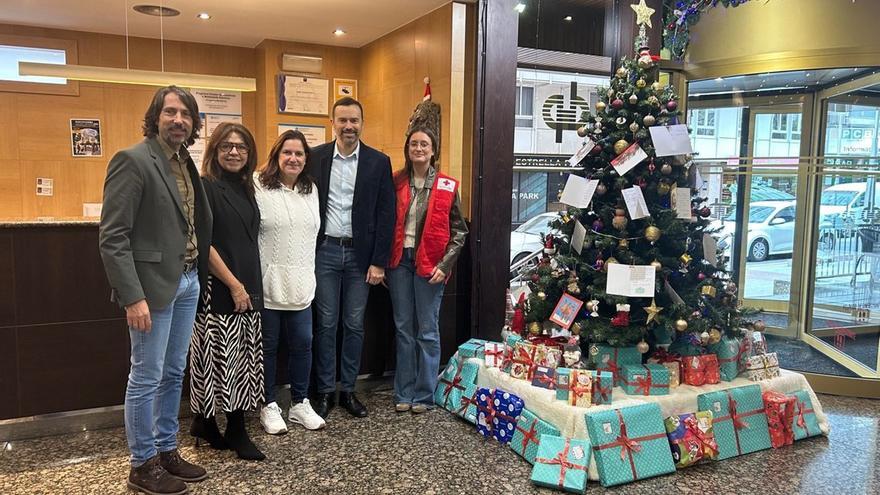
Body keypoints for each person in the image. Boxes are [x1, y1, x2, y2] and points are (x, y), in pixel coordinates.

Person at [99, 85, 212, 495]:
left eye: (186, 114)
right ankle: (141, 463)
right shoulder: (133, 160)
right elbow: (113, 237)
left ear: (194, 123)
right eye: (170, 112)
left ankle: (166, 451)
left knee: (172, 371)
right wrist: (132, 296)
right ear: (156, 117)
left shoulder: (185, 163)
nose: (179, 120)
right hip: (150, 289)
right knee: (145, 376)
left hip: (187, 281)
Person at [308, 97, 396, 419]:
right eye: (342, 120)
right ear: (333, 123)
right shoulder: (315, 158)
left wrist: (379, 261)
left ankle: (348, 390)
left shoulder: (378, 162)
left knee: (354, 325)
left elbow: (387, 215)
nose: (348, 126)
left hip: (361, 257)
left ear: (362, 122)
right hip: (325, 252)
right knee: (326, 324)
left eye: (354, 120)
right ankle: (324, 392)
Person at [188, 122, 265, 461]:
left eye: (241, 147)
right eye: (226, 146)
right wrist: (234, 285)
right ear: (214, 151)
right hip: (220, 287)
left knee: (241, 360)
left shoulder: (246, 188)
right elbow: (203, 244)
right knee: (224, 361)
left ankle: (203, 423)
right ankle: (235, 429)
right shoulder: (205, 186)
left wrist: (245, 284)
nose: (234, 152)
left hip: (247, 284)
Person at [387, 126, 468, 413]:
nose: (418, 148)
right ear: (407, 149)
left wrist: (445, 266)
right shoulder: (396, 181)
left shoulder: (447, 185)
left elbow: (460, 232)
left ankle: (423, 394)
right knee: (403, 329)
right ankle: (404, 392)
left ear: (433, 151)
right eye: (413, 144)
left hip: (430, 265)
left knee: (427, 330)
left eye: (424, 144)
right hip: (399, 263)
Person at [255, 130, 327, 434]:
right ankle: (268, 404)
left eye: (299, 153)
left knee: (303, 344)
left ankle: (299, 403)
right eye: (287, 152)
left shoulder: (311, 188)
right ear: (276, 155)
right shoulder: (258, 184)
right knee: (268, 346)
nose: (293, 158)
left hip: (301, 283)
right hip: (268, 282)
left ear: (305, 158)